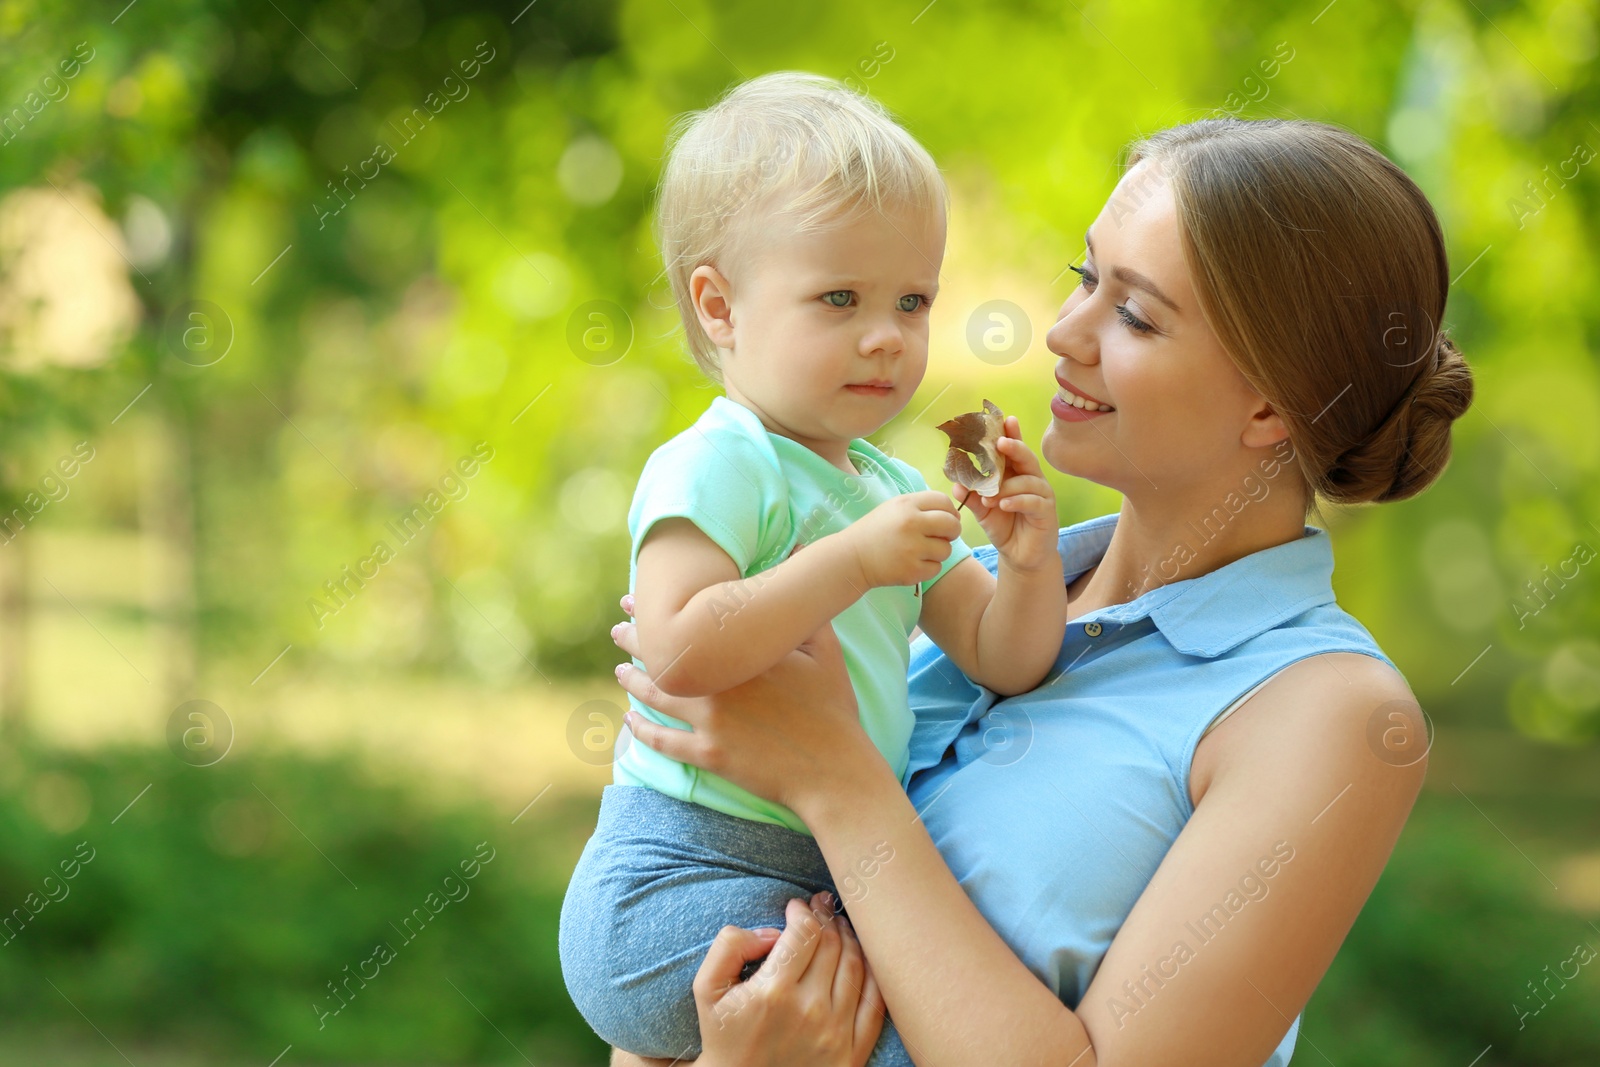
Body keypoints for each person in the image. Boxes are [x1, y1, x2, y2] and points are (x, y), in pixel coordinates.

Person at [604, 114, 1474, 1067]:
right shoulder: (955, 593)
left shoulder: (1330, 714)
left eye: (1135, 315)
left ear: (1271, 404)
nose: (1064, 332)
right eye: (1084, 278)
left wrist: (837, 780)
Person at [558, 72, 1068, 1063]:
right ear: (720, 306)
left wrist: (1028, 558)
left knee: (930, 983)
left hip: (807, 866)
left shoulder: (882, 488)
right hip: (677, 878)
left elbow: (1005, 656)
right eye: (838, 298)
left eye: (912, 301)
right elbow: (676, 646)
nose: (885, 335)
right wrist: (850, 561)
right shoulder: (721, 460)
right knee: (904, 1004)